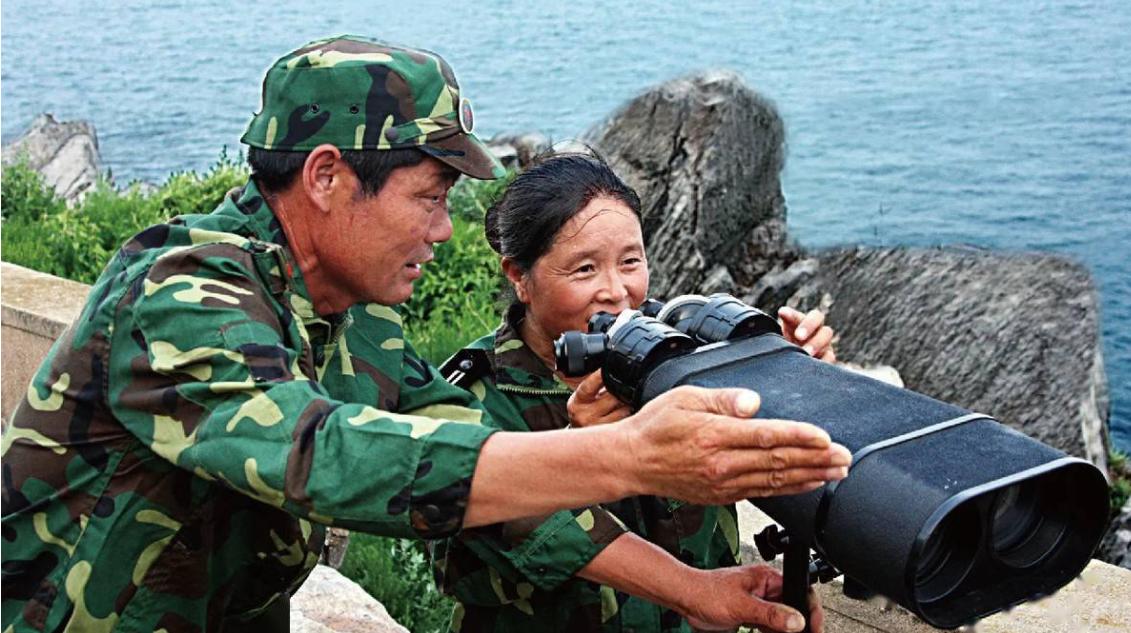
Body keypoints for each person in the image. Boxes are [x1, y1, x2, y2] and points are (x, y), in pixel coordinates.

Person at [0, 36, 850, 633]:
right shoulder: (185, 287)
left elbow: (466, 463)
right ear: (328, 175)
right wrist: (628, 454)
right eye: (429, 196)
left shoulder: (353, 316)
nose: (444, 231)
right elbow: (320, 453)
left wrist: (692, 588)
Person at [431, 153, 839, 633]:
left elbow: (777, 457)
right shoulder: (472, 397)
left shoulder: (686, 350)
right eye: (584, 269)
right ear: (520, 276)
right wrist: (576, 451)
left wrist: (784, 375)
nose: (617, 292)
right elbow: (498, 555)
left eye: (631, 261)